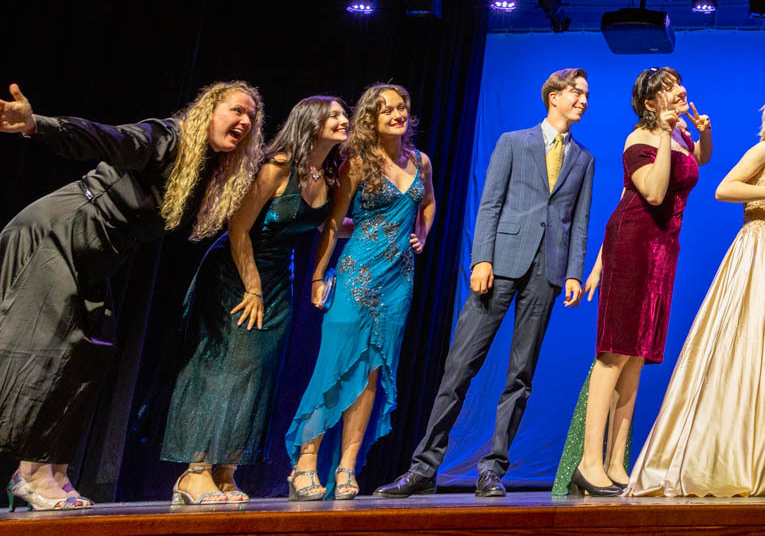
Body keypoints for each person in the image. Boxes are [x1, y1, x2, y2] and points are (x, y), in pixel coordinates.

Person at [0, 80, 264, 511]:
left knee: (91, 353)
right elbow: (105, 137)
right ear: (209, 109)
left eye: (251, 116)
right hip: (59, 234)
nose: (243, 121)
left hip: (95, 257)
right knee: (51, 349)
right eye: (235, 110)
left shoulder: (213, 168)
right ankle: (31, 472)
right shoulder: (166, 138)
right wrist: (35, 124)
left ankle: (55, 469)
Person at [376, 69, 594, 499]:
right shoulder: (514, 142)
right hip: (500, 265)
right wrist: (482, 259)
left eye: (587, 94)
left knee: (521, 375)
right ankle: (424, 466)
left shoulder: (583, 159)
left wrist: (572, 271)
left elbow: (579, 220)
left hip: (546, 271)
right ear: (553, 96)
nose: (584, 100)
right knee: (459, 367)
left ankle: (493, 468)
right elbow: (491, 202)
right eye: (577, 92)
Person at [624, 83, 765, 497]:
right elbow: (724, 188)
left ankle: (756, 454)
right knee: (745, 344)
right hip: (753, 254)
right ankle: (721, 457)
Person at [161, 95, 346, 504]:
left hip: (280, 278)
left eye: (343, 114)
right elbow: (239, 227)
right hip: (237, 272)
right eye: (333, 114)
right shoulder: (277, 167)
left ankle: (226, 471)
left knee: (256, 373)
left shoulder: (328, 177)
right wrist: (252, 286)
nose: (343, 119)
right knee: (222, 366)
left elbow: (329, 227)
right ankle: (194, 471)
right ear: (310, 122)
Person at [559, 67, 709, 496]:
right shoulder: (640, 140)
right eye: (667, 89)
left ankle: (615, 462)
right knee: (614, 353)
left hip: (663, 253)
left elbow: (699, 161)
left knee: (637, 356)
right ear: (650, 104)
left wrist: (701, 134)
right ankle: (588, 463)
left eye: (679, 84)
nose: (679, 91)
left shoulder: (678, 137)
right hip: (635, 246)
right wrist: (664, 135)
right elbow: (654, 194)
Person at [285, 83, 435, 500]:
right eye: (385, 109)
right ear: (370, 118)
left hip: (398, 281)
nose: (396, 114)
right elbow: (332, 224)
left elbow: (427, 205)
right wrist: (317, 277)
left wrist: (420, 234)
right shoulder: (357, 162)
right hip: (357, 274)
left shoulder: (421, 161)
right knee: (333, 365)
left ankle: (347, 467)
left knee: (370, 373)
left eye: (401, 106)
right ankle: (306, 461)